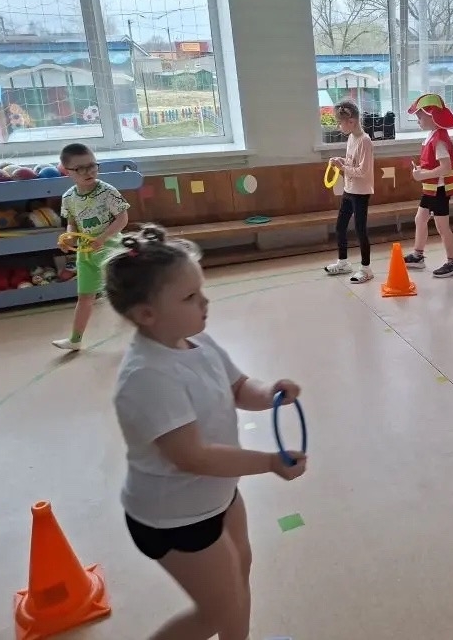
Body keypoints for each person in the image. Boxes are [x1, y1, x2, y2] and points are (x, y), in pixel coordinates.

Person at [108, 225, 307, 640]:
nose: (205, 301)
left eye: (201, 290)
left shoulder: (197, 342)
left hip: (218, 494)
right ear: (146, 315)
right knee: (217, 611)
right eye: (189, 297)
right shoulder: (148, 375)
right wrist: (270, 462)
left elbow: (238, 387)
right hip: (175, 517)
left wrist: (270, 392)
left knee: (239, 573)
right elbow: (193, 456)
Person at [53, 143, 130, 350]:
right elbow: (72, 223)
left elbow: (122, 219)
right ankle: (75, 340)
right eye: (80, 168)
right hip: (86, 253)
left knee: (123, 294)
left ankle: (145, 332)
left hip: (111, 250)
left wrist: (103, 238)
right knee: (85, 297)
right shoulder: (68, 197)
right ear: (67, 171)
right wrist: (69, 238)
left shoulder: (107, 192)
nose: (88, 172)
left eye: (92, 166)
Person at [405, 93, 453, 278]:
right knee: (420, 218)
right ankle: (418, 255)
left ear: (432, 116)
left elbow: (445, 167)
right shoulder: (432, 136)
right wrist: (422, 171)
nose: (418, 121)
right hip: (431, 189)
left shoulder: (439, 139)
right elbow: (434, 164)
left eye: (420, 117)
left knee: (442, 227)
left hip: (439, 189)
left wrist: (422, 175)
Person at [325, 100, 375, 284]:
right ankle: (343, 262)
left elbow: (362, 171)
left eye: (340, 123)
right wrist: (341, 161)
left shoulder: (365, 141)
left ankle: (366, 269)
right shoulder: (351, 138)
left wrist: (343, 168)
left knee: (360, 230)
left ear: (352, 121)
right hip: (349, 189)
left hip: (360, 192)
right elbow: (351, 162)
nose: (339, 126)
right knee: (340, 227)